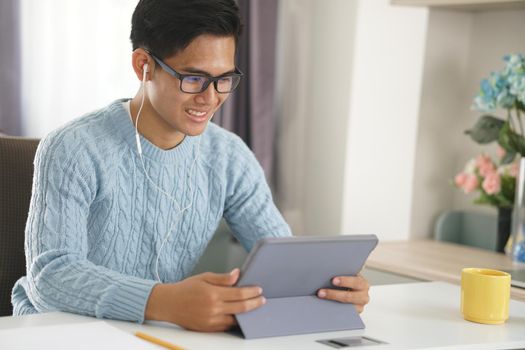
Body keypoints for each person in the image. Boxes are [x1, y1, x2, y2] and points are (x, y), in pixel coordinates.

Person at [11, 0, 370, 332]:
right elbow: (51, 277)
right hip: (56, 331)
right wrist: (163, 301)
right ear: (143, 65)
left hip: (151, 331)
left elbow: (283, 259)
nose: (211, 98)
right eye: (194, 78)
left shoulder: (228, 156)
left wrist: (327, 289)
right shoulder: (74, 147)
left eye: (224, 79)